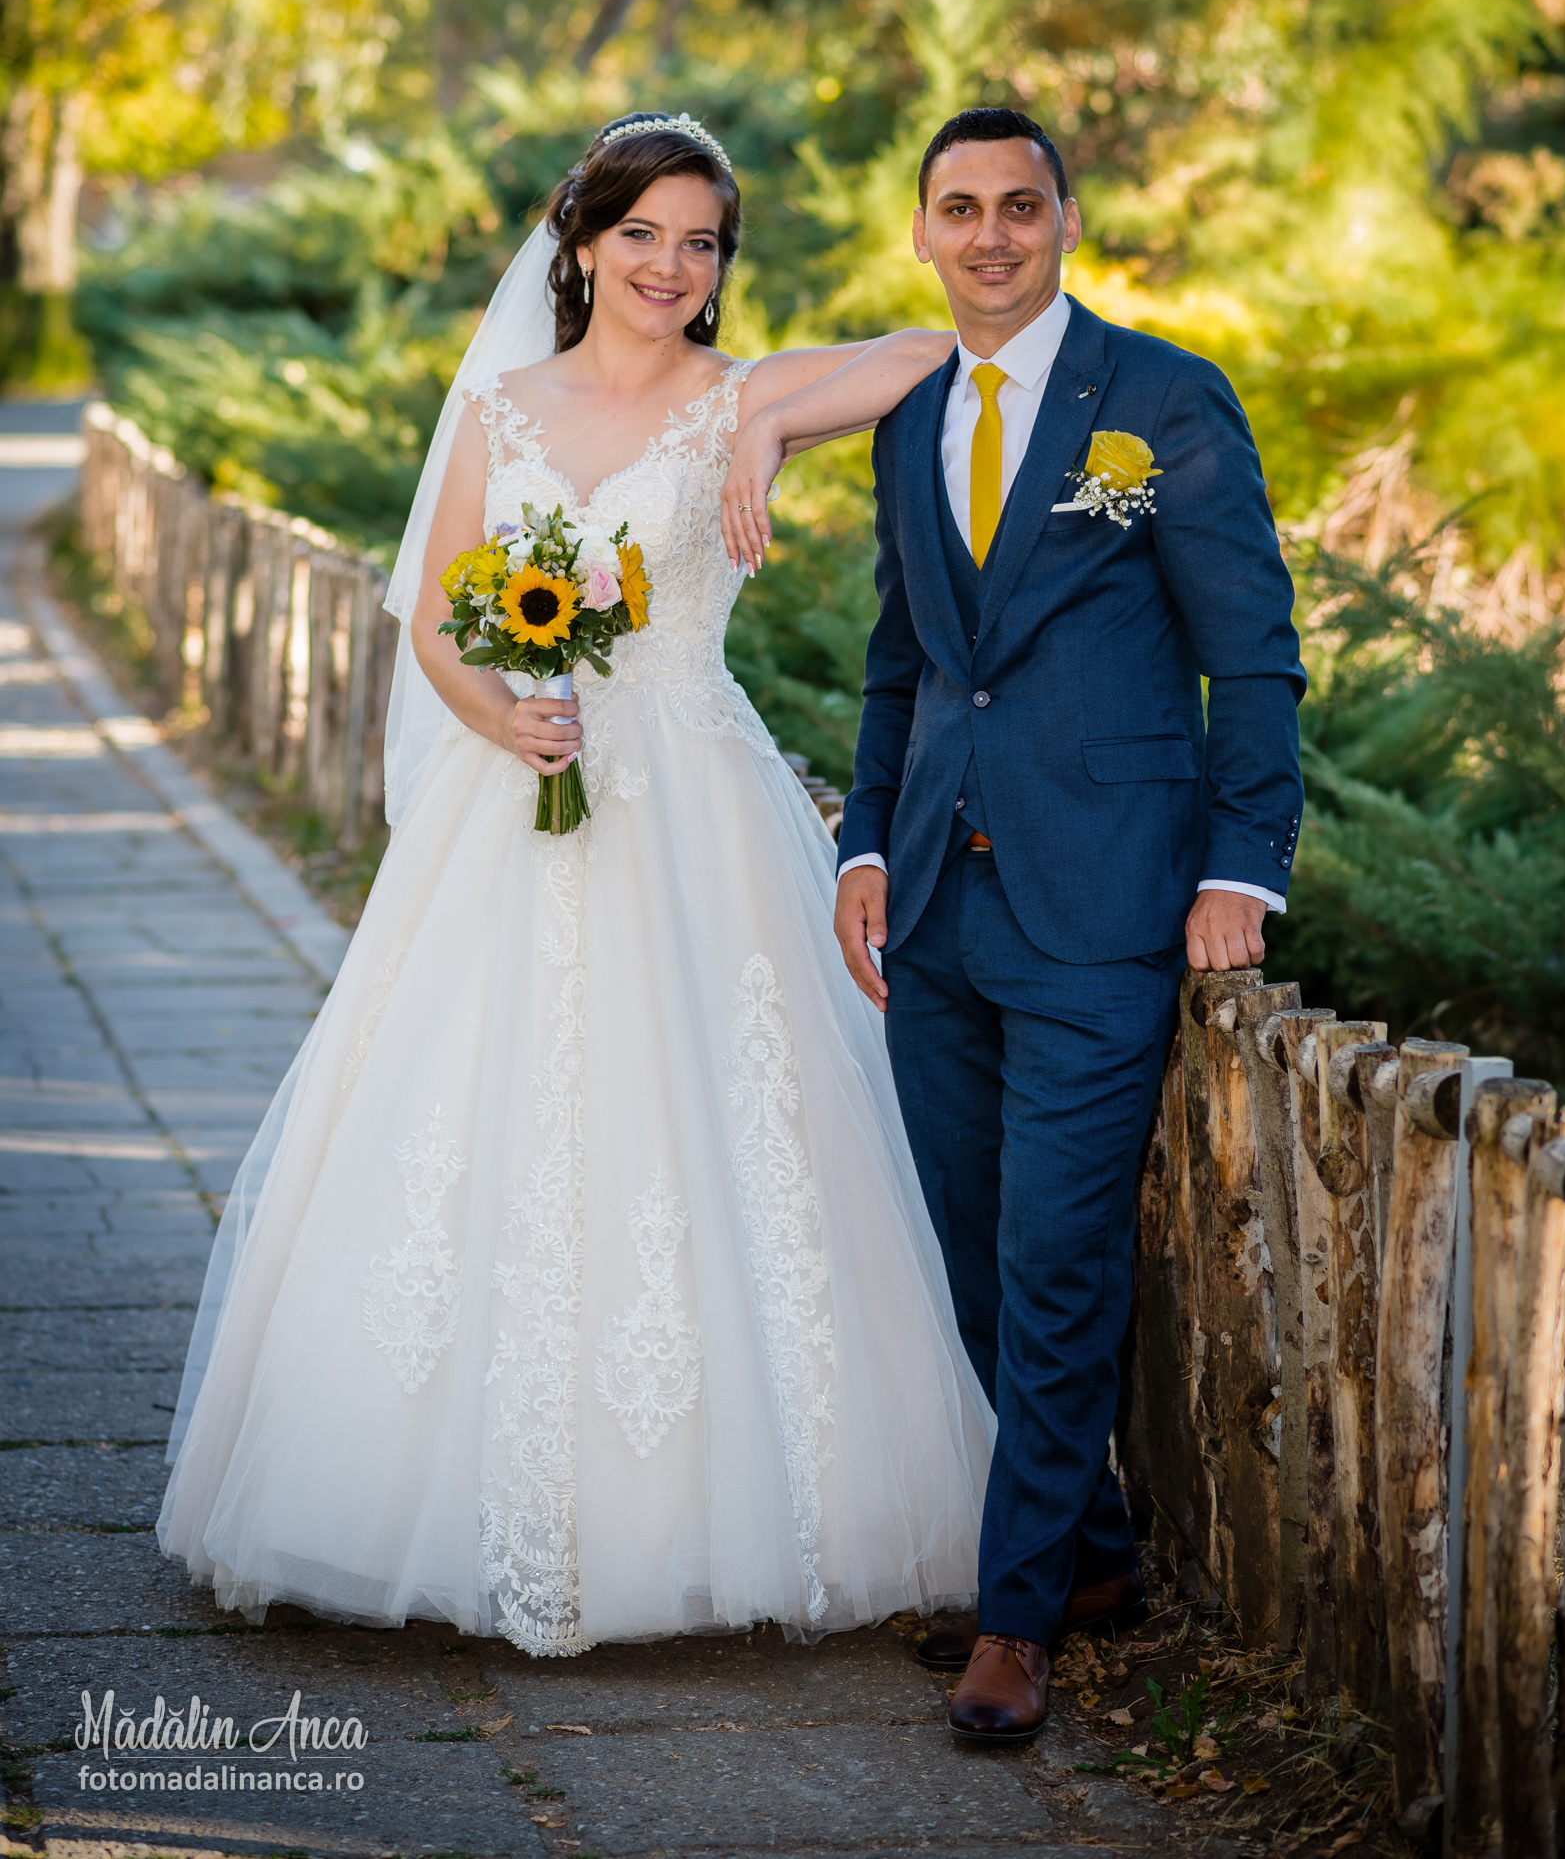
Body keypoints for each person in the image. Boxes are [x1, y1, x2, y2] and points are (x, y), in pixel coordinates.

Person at [157, 112, 996, 1657]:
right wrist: (503, 718)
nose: (670, 266)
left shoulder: (739, 393)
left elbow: (934, 349)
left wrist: (758, 429)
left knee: (713, 1109)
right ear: (583, 242)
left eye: (701, 243)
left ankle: (731, 1509)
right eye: (641, 235)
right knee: (476, 1109)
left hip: (697, 798)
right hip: (523, 789)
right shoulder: (502, 405)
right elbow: (435, 617)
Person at [723, 106, 1305, 1741]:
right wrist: (863, 842)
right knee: (970, 1255)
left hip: (1103, 900)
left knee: (1054, 1258)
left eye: (1019, 206)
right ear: (920, 230)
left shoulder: (1162, 399)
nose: (989, 235)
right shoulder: (911, 413)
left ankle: (1017, 1622)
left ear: (1065, 221)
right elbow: (906, 663)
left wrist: (1240, 865)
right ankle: (1090, 1554)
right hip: (936, 910)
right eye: (959, 207)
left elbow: (1250, 650)